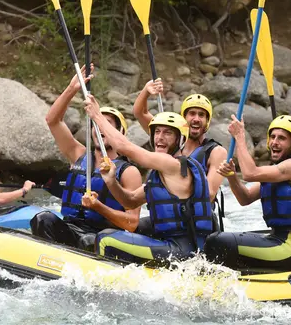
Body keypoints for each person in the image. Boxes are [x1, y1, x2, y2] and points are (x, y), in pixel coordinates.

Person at [85, 96, 213, 266]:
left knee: (106, 239)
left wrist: (97, 116)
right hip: (171, 247)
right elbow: (129, 201)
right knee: (134, 229)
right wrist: (111, 181)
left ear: (181, 140)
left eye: (168, 133)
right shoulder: (160, 174)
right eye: (157, 132)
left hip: (182, 252)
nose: (160, 137)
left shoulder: (174, 165)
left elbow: (124, 147)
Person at [30, 66, 142, 250]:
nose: (99, 130)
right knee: (43, 219)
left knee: (88, 241)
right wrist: (72, 89)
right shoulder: (78, 153)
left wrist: (98, 207)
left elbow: (131, 223)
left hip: (104, 235)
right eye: (95, 125)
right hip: (71, 228)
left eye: (105, 125)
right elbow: (53, 121)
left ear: (119, 133)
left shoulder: (129, 172)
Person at [204, 115, 291, 271]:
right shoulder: (277, 172)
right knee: (221, 238)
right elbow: (245, 198)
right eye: (272, 137)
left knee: (217, 241)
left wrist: (240, 136)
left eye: (282, 138)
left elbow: (250, 173)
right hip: (278, 240)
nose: (275, 142)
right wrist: (232, 176)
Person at [133, 81, 227, 227]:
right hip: (167, 216)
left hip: (196, 221)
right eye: (192, 113)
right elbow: (140, 113)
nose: (196, 119)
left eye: (201, 115)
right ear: (183, 118)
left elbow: (209, 194)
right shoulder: (169, 138)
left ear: (207, 121)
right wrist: (146, 91)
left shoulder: (216, 152)